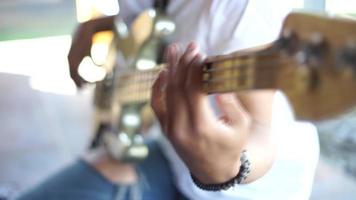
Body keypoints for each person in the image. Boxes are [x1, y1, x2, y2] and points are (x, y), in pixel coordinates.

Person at [19, 0, 320, 199]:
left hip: (245, 190)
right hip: (169, 156)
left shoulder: (245, 6)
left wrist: (226, 167)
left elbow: (262, 131)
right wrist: (97, 25)